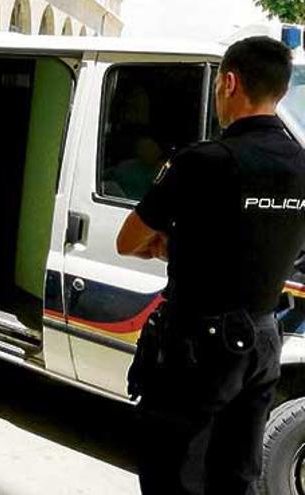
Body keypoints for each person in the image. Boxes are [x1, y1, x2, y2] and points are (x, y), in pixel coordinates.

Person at [117, 36, 305, 495]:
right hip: (262, 341)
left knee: (174, 475)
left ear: (229, 83)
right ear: (279, 92)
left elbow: (128, 240)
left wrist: (172, 245)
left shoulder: (203, 161)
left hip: (198, 346)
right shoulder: (301, 164)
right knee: (234, 478)